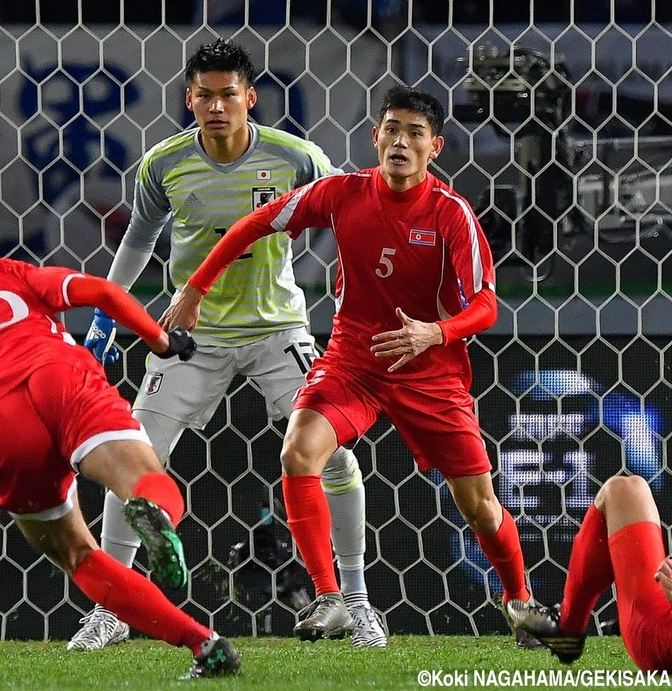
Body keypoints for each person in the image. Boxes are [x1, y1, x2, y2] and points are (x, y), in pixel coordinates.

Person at [160, 84, 537, 646]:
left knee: (481, 509)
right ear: (375, 137)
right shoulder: (341, 192)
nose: (400, 142)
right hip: (353, 363)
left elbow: (486, 304)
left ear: (435, 147)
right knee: (298, 451)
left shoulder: (451, 213)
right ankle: (331, 599)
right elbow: (255, 223)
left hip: (430, 373)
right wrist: (194, 289)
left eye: (414, 133)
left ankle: (521, 603)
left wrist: (435, 332)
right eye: (392, 129)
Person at [78, 38, 386, 650]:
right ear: (188, 99)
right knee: (130, 455)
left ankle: (356, 602)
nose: (216, 106)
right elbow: (137, 244)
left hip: (278, 331)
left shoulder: (295, 157)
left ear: (250, 98)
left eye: (228, 95)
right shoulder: (163, 165)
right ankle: (113, 608)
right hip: (196, 336)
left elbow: (350, 212)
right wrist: (104, 321)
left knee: (333, 458)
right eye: (204, 95)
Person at [0, 220, 242, 680]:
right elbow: (101, 293)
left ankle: (203, 644)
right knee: (143, 478)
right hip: (60, 376)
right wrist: (162, 341)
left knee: (77, 553)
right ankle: (149, 509)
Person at [507, 475, 672, 670]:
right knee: (625, 490)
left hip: (662, 639)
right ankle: (568, 626)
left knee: (619, 490)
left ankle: (567, 628)